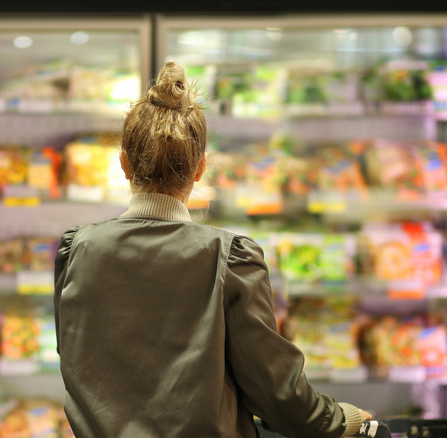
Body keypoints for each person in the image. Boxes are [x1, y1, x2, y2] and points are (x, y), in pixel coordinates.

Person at [54, 61, 373, 438]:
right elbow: (276, 394)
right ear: (200, 168)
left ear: (123, 164)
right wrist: (342, 420)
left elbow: (77, 364)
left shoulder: (76, 250)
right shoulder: (229, 258)